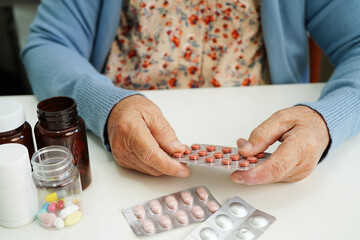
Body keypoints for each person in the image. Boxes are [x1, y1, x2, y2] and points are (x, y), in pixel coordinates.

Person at [21, 0, 360, 185]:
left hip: (266, 165)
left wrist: (325, 121)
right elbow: (48, 44)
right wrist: (108, 108)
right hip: (116, 156)